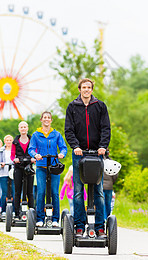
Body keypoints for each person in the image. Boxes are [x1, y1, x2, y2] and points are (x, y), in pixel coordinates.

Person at [65, 78, 111, 237]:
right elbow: (69, 130)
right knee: (78, 191)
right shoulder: (72, 107)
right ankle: (79, 226)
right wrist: (75, 146)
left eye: (89, 87)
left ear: (92, 89)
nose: (86, 90)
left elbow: (106, 128)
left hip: (97, 153)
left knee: (98, 191)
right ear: (80, 89)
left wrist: (103, 147)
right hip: (79, 153)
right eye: (83, 87)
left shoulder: (100, 106)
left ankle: (99, 227)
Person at [28, 111, 67, 227]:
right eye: (44, 117)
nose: (46, 119)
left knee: (55, 193)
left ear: (51, 120)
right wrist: (35, 155)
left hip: (54, 166)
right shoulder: (36, 135)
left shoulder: (56, 134)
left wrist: (62, 154)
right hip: (41, 166)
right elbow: (31, 149)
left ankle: (55, 219)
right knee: (41, 192)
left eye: (48, 118)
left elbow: (63, 147)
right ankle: (40, 218)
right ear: (41, 120)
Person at [11, 121, 35, 220]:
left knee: (30, 191)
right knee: (17, 191)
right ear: (19, 129)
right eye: (21, 127)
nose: (23, 129)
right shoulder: (15, 142)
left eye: (25, 127)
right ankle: (17, 213)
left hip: (29, 167)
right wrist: (14, 159)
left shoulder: (32, 140)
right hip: (19, 167)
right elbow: (12, 155)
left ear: (27, 128)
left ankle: (32, 212)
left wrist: (34, 158)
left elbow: (35, 150)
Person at [0, 135, 15, 218]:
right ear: (4, 141)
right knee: (4, 192)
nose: (8, 141)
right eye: (7, 140)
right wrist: (1, 164)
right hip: (3, 172)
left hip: (12, 172)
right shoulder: (1, 150)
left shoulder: (15, 150)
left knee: (15, 192)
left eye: (10, 140)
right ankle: (3, 210)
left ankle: (15, 210)